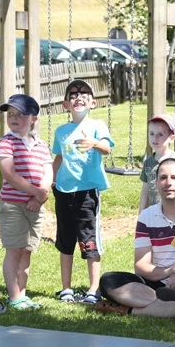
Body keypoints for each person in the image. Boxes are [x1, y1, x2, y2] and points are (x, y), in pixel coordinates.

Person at [94, 156, 175, 318]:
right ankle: (168, 305)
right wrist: (171, 270)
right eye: (163, 178)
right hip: (157, 284)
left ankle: (130, 310)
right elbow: (141, 266)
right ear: (155, 183)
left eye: (174, 177)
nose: (168, 183)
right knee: (109, 280)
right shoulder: (147, 216)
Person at [0, 94, 53, 313]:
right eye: (11, 114)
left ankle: (22, 295)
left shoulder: (41, 145)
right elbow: (10, 174)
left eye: (20, 114)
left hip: (35, 206)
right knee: (14, 251)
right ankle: (14, 297)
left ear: (34, 118)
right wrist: (36, 193)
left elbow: (48, 172)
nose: (14, 118)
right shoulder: (6, 142)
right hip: (12, 206)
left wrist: (39, 197)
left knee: (26, 251)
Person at [52, 79, 115, 304]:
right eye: (73, 95)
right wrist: (52, 181)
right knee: (65, 240)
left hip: (87, 193)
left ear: (93, 103)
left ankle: (93, 289)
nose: (78, 97)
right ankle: (66, 288)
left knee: (89, 240)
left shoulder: (97, 125)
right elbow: (59, 157)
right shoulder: (61, 131)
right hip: (63, 192)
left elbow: (107, 148)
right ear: (65, 105)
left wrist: (94, 143)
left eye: (84, 94)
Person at [139, 113, 175, 212]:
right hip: (153, 213)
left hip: (173, 212)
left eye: (160, 134)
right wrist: (141, 214)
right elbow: (145, 191)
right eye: (151, 133)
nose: (155, 138)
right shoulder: (148, 162)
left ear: (171, 138)